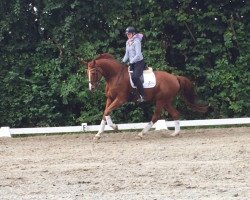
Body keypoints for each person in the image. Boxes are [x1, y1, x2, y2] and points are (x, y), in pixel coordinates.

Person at [122, 26, 146, 102]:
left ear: (133, 33)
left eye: (129, 34)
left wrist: (131, 62)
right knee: (127, 78)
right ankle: (135, 94)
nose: (128, 35)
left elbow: (138, 54)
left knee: (135, 77)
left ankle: (143, 95)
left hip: (139, 62)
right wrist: (122, 61)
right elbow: (127, 54)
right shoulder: (127, 42)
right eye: (127, 34)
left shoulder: (137, 41)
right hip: (132, 63)